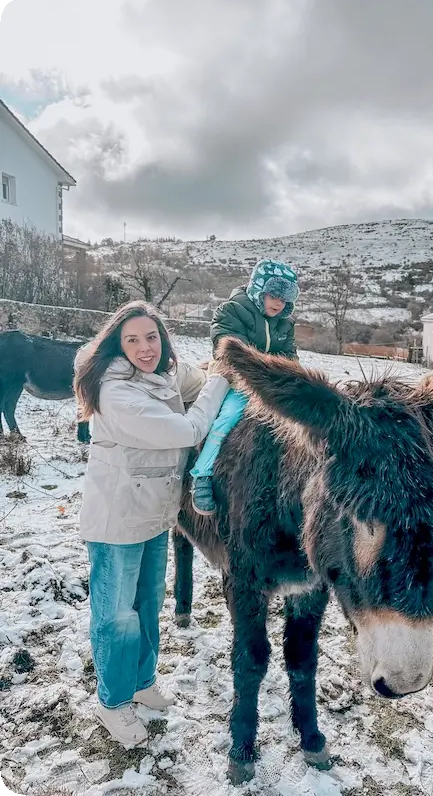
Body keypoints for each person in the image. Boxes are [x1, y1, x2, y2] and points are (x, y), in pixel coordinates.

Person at [74, 301, 230, 749]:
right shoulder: (115, 391)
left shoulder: (161, 373)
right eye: (133, 340)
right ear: (117, 346)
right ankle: (113, 701)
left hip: (154, 515)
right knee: (115, 616)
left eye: (152, 337)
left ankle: (141, 681)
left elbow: (195, 383)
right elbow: (187, 429)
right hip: (118, 519)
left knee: (147, 605)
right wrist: (221, 377)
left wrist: (223, 377)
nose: (145, 348)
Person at [190, 259, 299, 514]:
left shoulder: (286, 323)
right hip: (238, 380)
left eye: (284, 299)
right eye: (274, 295)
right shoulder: (232, 311)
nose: (279, 303)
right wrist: (264, 372)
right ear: (259, 289)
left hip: (271, 384)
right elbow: (230, 350)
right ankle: (202, 474)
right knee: (227, 417)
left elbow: (290, 356)